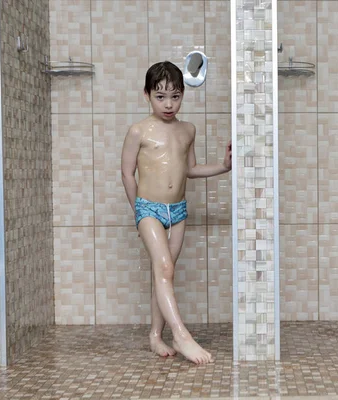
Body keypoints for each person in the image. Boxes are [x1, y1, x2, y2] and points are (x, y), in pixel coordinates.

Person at [121, 61, 231, 364]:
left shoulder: (187, 130)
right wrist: (138, 212)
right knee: (165, 269)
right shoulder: (138, 131)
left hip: (178, 210)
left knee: (163, 272)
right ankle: (182, 336)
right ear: (146, 95)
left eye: (175, 96)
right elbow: (127, 173)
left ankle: (156, 336)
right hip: (149, 208)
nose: (168, 104)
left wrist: (224, 166)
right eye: (160, 97)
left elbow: (191, 169)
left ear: (182, 94)